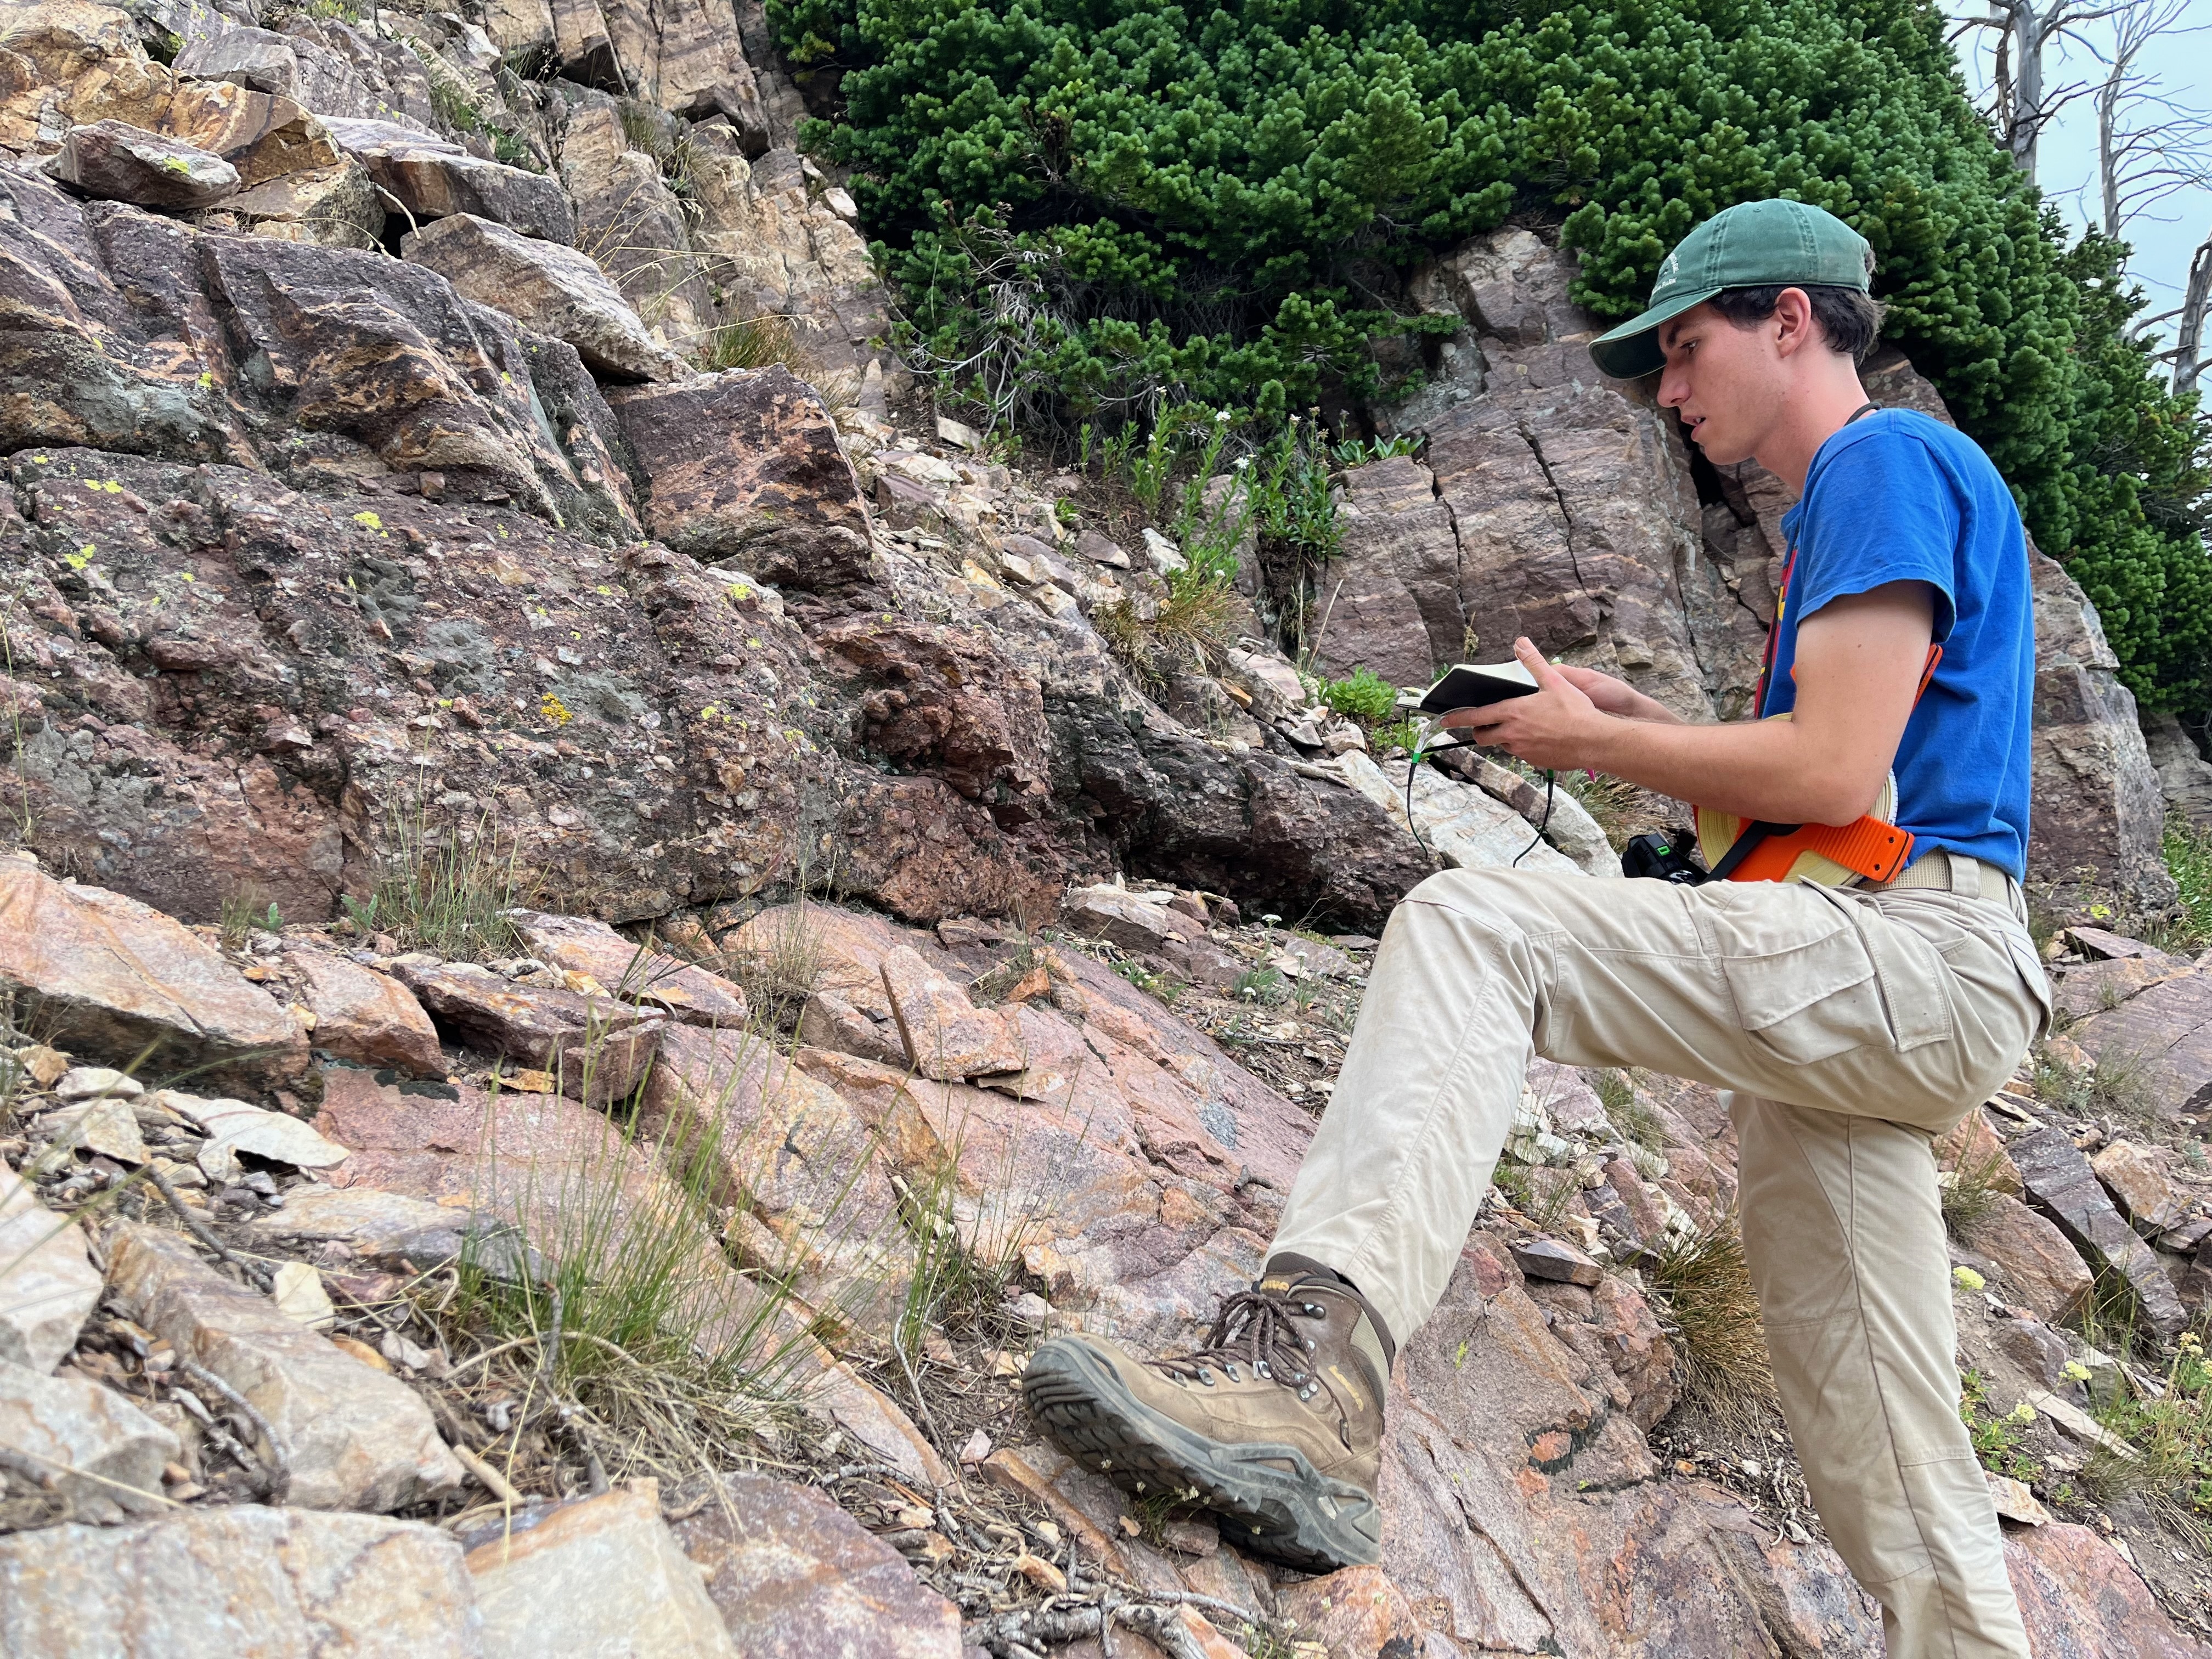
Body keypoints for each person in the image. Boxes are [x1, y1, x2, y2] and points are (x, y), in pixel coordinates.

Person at [1022, 199, 2052, 1659]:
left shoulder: (1876, 460)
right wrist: (1652, 725)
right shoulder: (1882, 489)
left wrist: (1593, 748)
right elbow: (1857, 785)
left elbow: (1828, 769)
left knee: (1471, 926)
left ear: (1793, 321)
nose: (1671, 390)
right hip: (1903, 976)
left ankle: (1307, 1391)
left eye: (1687, 349)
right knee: (1888, 1443)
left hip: (1909, 961)